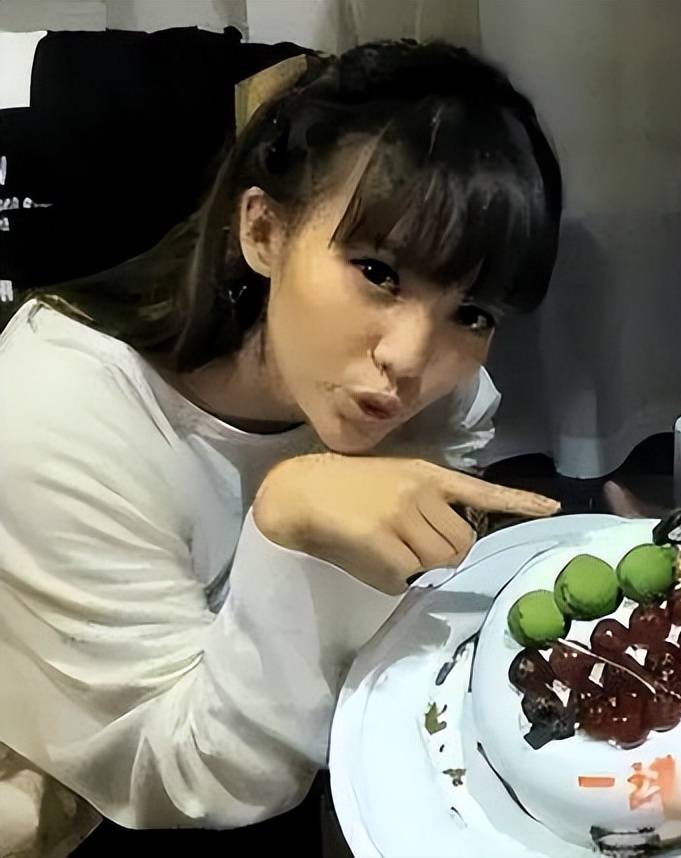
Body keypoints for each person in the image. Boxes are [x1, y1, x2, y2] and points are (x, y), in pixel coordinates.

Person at [0, 39, 564, 847]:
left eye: (470, 313)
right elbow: (192, 784)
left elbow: (390, 625)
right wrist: (290, 519)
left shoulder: (441, 397)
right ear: (263, 230)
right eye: (378, 272)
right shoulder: (63, 408)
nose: (411, 359)